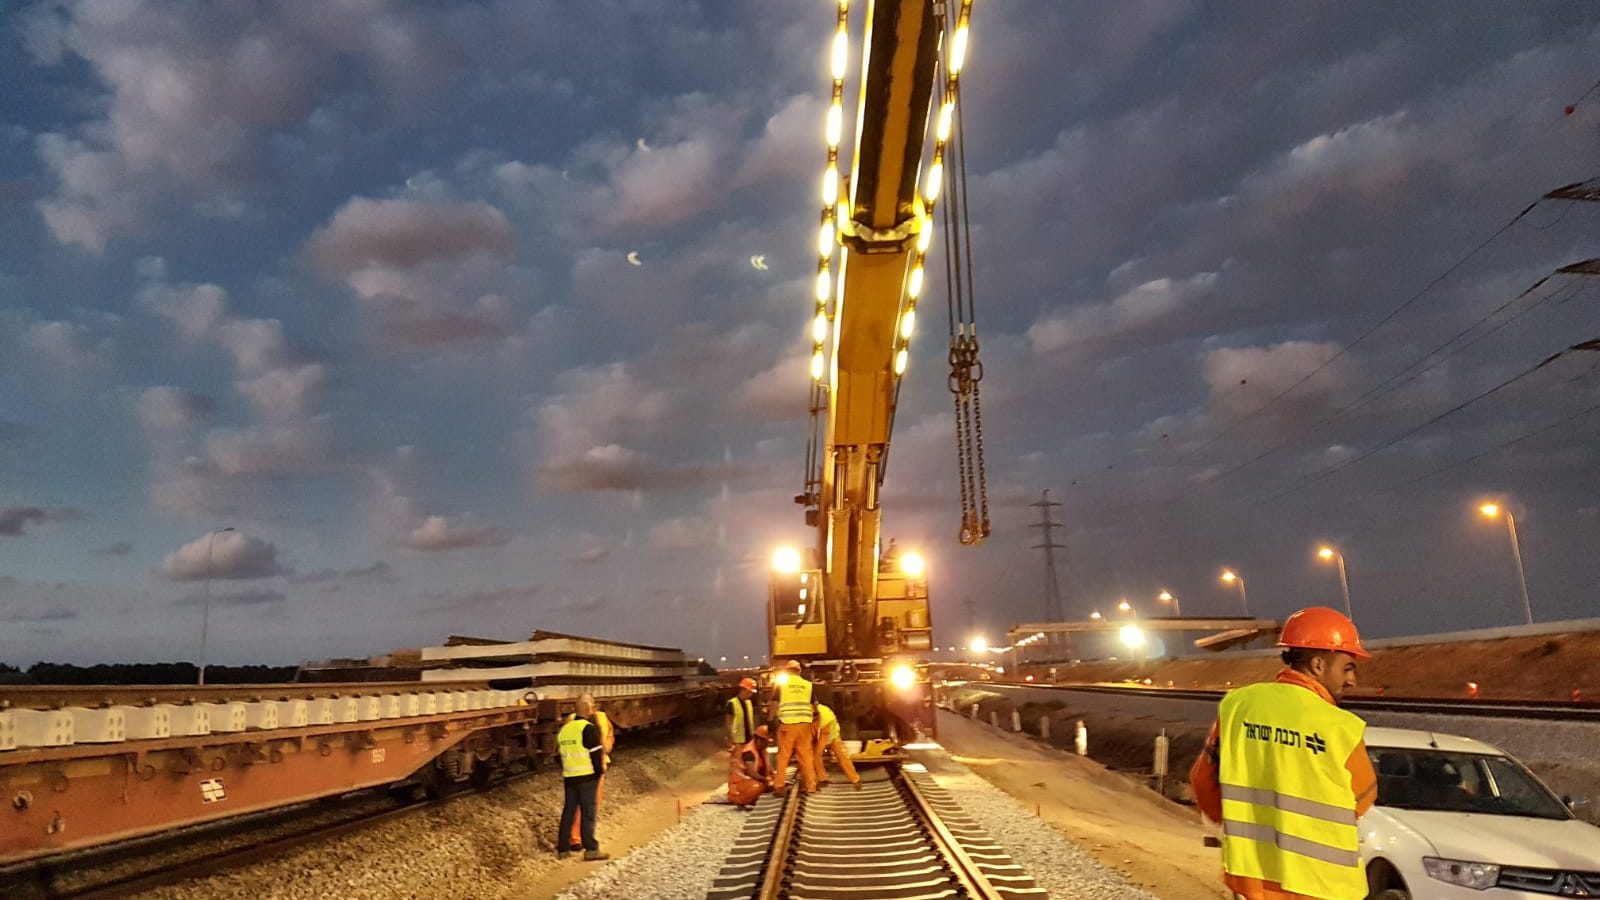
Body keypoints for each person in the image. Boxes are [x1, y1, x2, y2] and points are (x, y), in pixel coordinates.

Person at [1189, 607, 1378, 900]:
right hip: (1324, 887)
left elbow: (1204, 781)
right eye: (1348, 668)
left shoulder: (1238, 705)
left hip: (1253, 880)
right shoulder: (1341, 727)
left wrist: (1239, 829)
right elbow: (1363, 799)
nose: (1352, 680)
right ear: (1318, 664)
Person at [556, 695, 610, 861]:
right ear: (588, 708)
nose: (594, 707)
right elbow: (596, 755)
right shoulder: (588, 728)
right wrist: (599, 772)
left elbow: (558, 757)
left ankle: (563, 849)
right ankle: (591, 849)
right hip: (587, 777)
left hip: (570, 776)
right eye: (592, 704)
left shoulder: (564, 730)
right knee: (588, 813)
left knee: (569, 812)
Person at [567, 693, 614, 852]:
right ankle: (584, 842)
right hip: (591, 769)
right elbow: (605, 742)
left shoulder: (571, 720)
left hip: (574, 769)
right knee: (588, 807)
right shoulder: (598, 719)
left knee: (575, 805)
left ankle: (574, 838)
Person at [770, 659, 818, 794]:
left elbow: (774, 703)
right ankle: (810, 786)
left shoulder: (782, 685)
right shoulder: (808, 685)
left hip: (787, 725)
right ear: (799, 671)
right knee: (805, 756)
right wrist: (815, 718)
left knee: (783, 756)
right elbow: (815, 705)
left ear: (787, 670)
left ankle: (779, 786)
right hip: (804, 725)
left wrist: (770, 719)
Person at [812, 700, 860, 789]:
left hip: (832, 736)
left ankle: (855, 780)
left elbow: (822, 734)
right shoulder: (812, 712)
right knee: (819, 756)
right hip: (825, 735)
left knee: (840, 757)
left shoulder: (824, 716)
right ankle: (822, 779)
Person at [727, 677, 758, 748]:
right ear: (743, 689)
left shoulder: (749, 703)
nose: (750, 694)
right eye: (749, 691)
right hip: (737, 741)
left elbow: (750, 721)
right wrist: (730, 738)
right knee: (737, 759)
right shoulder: (732, 703)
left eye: (751, 692)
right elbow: (728, 723)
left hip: (749, 738)